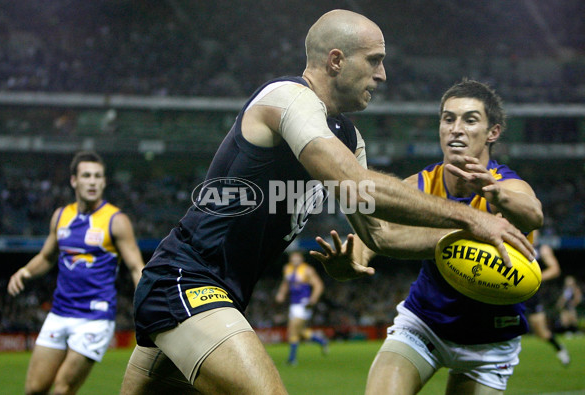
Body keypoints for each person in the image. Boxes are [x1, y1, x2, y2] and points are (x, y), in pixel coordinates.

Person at [119, 10, 533, 395]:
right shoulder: (288, 98)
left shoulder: (350, 139)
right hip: (186, 280)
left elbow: (382, 234)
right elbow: (353, 182)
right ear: (337, 60)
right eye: (374, 61)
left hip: (222, 294)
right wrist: (472, 218)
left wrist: (462, 238)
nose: (383, 75)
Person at [312, 80, 543, 395]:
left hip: (489, 343)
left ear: (493, 132)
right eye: (448, 119)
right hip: (424, 324)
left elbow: (533, 213)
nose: (456, 129)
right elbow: (374, 234)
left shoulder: (508, 186)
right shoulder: (418, 185)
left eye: (470, 120)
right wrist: (352, 261)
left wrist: (498, 195)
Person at [7, 151, 145, 395]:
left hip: (95, 317)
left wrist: (146, 305)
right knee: (34, 389)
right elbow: (47, 257)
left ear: (104, 182)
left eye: (98, 176)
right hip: (59, 313)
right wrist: (25, 271)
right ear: (74, 180)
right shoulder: (61, 216)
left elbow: (136, 267)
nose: (92, 181)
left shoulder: (116, 220)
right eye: (86, 176)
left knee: (62, 389)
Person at [524, 231, 570, 365]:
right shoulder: (514, 244)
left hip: (532, 295)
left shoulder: (542, 249)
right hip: (512, 292)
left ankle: (560, 348)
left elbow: (555, 269)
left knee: (541, 332)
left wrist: (536, 278)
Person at [275, 251, 328, 365]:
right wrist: (281, 294)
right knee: (299, 331)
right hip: (293, 304)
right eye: (293, 258)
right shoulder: (287, 269)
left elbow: (318, 285)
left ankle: (292, 359)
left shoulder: (307, 270)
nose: (295, 260)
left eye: (297, 258)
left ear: (301, 259)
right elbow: (285, 283)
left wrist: (313, 299)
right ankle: (321, 341)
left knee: (293, 330)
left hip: (304, 304)